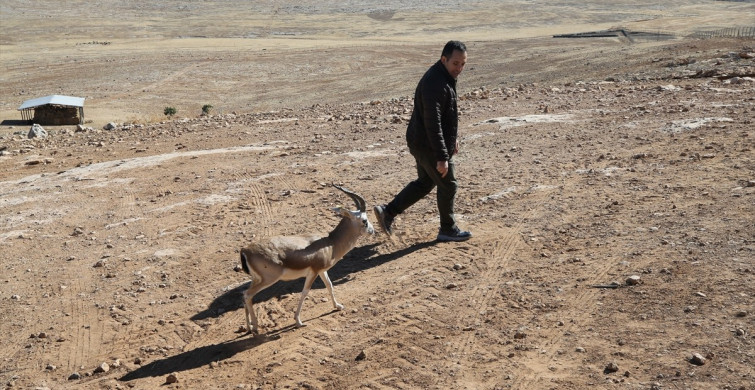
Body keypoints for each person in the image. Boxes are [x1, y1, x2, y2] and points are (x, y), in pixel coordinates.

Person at [374, 40, 472, 242]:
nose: (459, 68)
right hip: (427, 144)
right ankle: (447, 229)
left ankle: (387, 212)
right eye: (455, 63)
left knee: (425, 182)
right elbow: (432, 123)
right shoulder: (435, 83)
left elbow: (446, 116)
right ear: (443, 59)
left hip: (422, 142)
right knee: (448, 185)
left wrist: (452, 140)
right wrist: (442, 157)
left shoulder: (443, 76)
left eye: (463, 64)